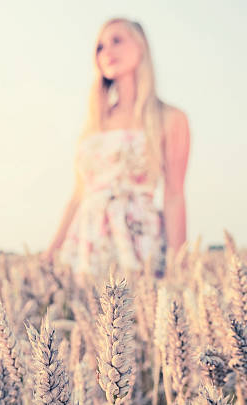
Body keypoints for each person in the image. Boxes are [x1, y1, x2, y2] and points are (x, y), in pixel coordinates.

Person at [41, 18, 190, 277]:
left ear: (141, 47)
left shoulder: (170, 118)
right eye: (99, 47)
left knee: (137, 315)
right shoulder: (93, 125)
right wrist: (51, 251)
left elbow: (174, 194)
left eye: (116, 41)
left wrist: (179, 266)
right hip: (86, 248)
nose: (106, 52)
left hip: (139, 244)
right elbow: (78, 195)